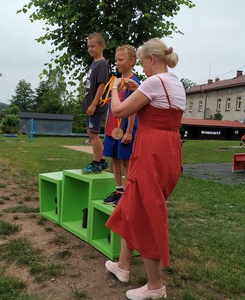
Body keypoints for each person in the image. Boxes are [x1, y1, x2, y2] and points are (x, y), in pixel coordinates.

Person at [105, 38, 186, 300]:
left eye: (142, 62)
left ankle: (155, 286)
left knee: (148, 213)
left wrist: (116, 88)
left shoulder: (153, 82)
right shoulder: (175, 83)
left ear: (151, 59)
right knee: (131, 205)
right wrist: (136, 86)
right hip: (169, 150)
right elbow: (157, 105)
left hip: (150, 152)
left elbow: (119, 109)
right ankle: (123, 265)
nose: (143, 68)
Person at [103, 45, 140, 206]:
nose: (117, 63)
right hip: (112, 129)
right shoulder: (115, 82)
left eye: (121, 59)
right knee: (115, 159)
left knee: (126, 160)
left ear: (132, 61)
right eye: (116, 60)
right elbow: (111, 107)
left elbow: (134, 109)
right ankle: (119, 190)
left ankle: (129, 193)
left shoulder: (134, 82)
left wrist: (129, 131)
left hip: (125, 129)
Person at [81, 32, 110, 174]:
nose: (90, 49)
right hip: (90, 104)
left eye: (92, 46)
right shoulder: (94, 63)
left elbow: (101, 85)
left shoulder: (103, 64)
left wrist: (93, 104)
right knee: (90, 132)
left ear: (101, 46)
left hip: (96, 105)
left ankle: (96, 163)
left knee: (93, 134)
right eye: (88, 47)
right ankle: (102, 161)